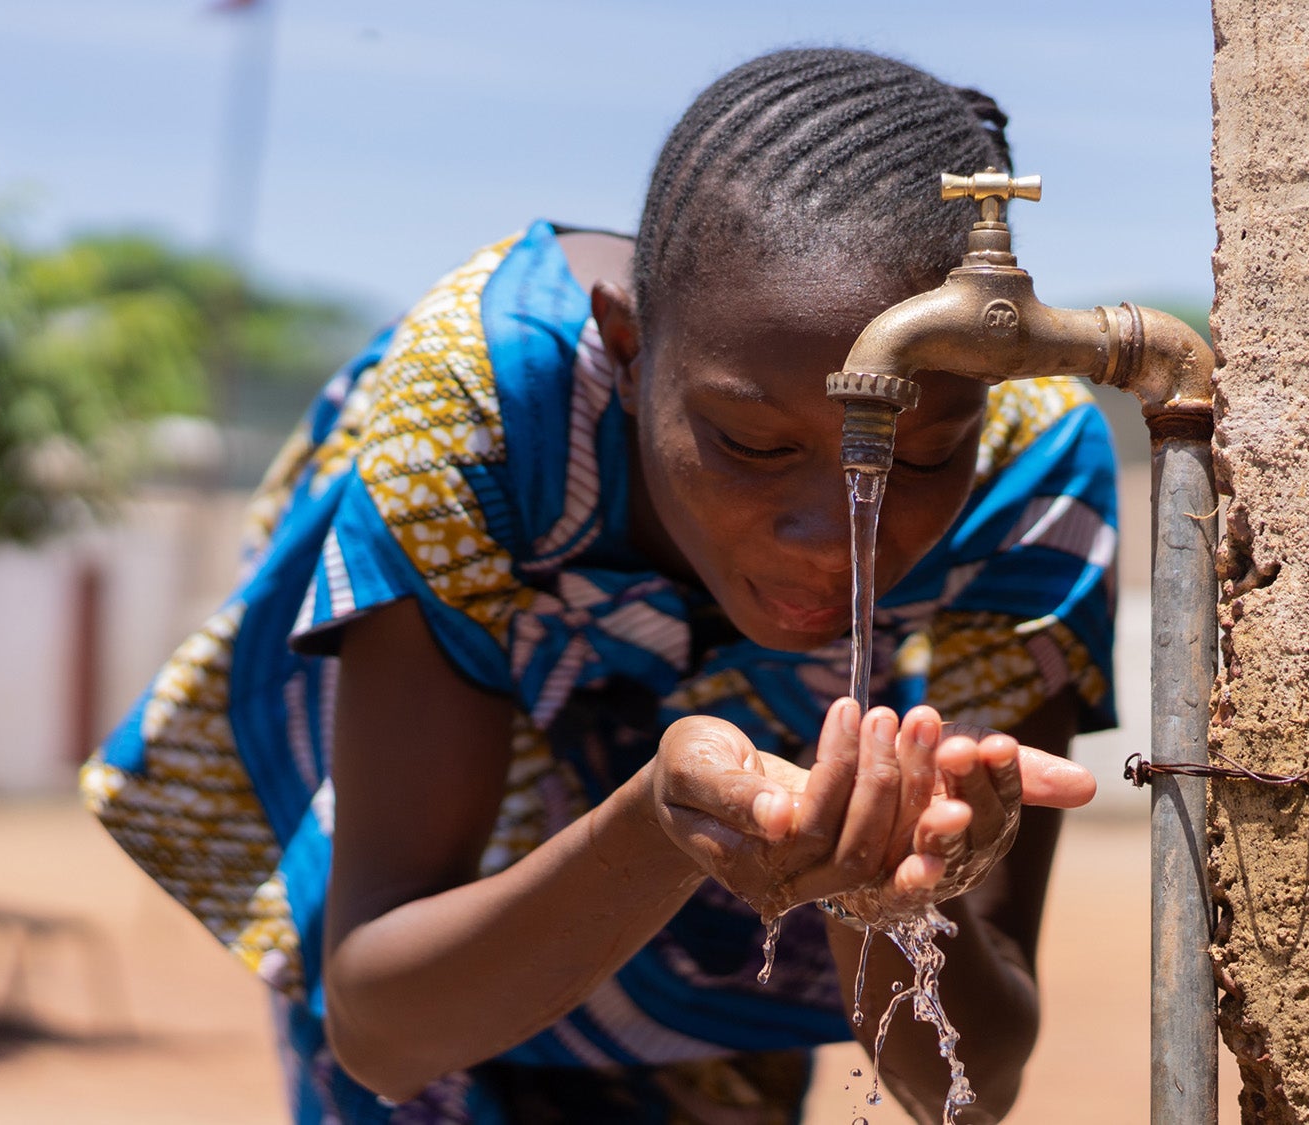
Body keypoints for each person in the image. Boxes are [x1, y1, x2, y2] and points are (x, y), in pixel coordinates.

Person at [84, 47, 1120, 1125]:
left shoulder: (1024, 476)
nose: (833, 544)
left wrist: (879, 894)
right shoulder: (487, 404)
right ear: (625, 347)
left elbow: (971, 1083)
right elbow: (382, 1029)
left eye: (916, 461)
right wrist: (659, 829)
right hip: (458, 964)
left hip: (715, 1006)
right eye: (750, 443)